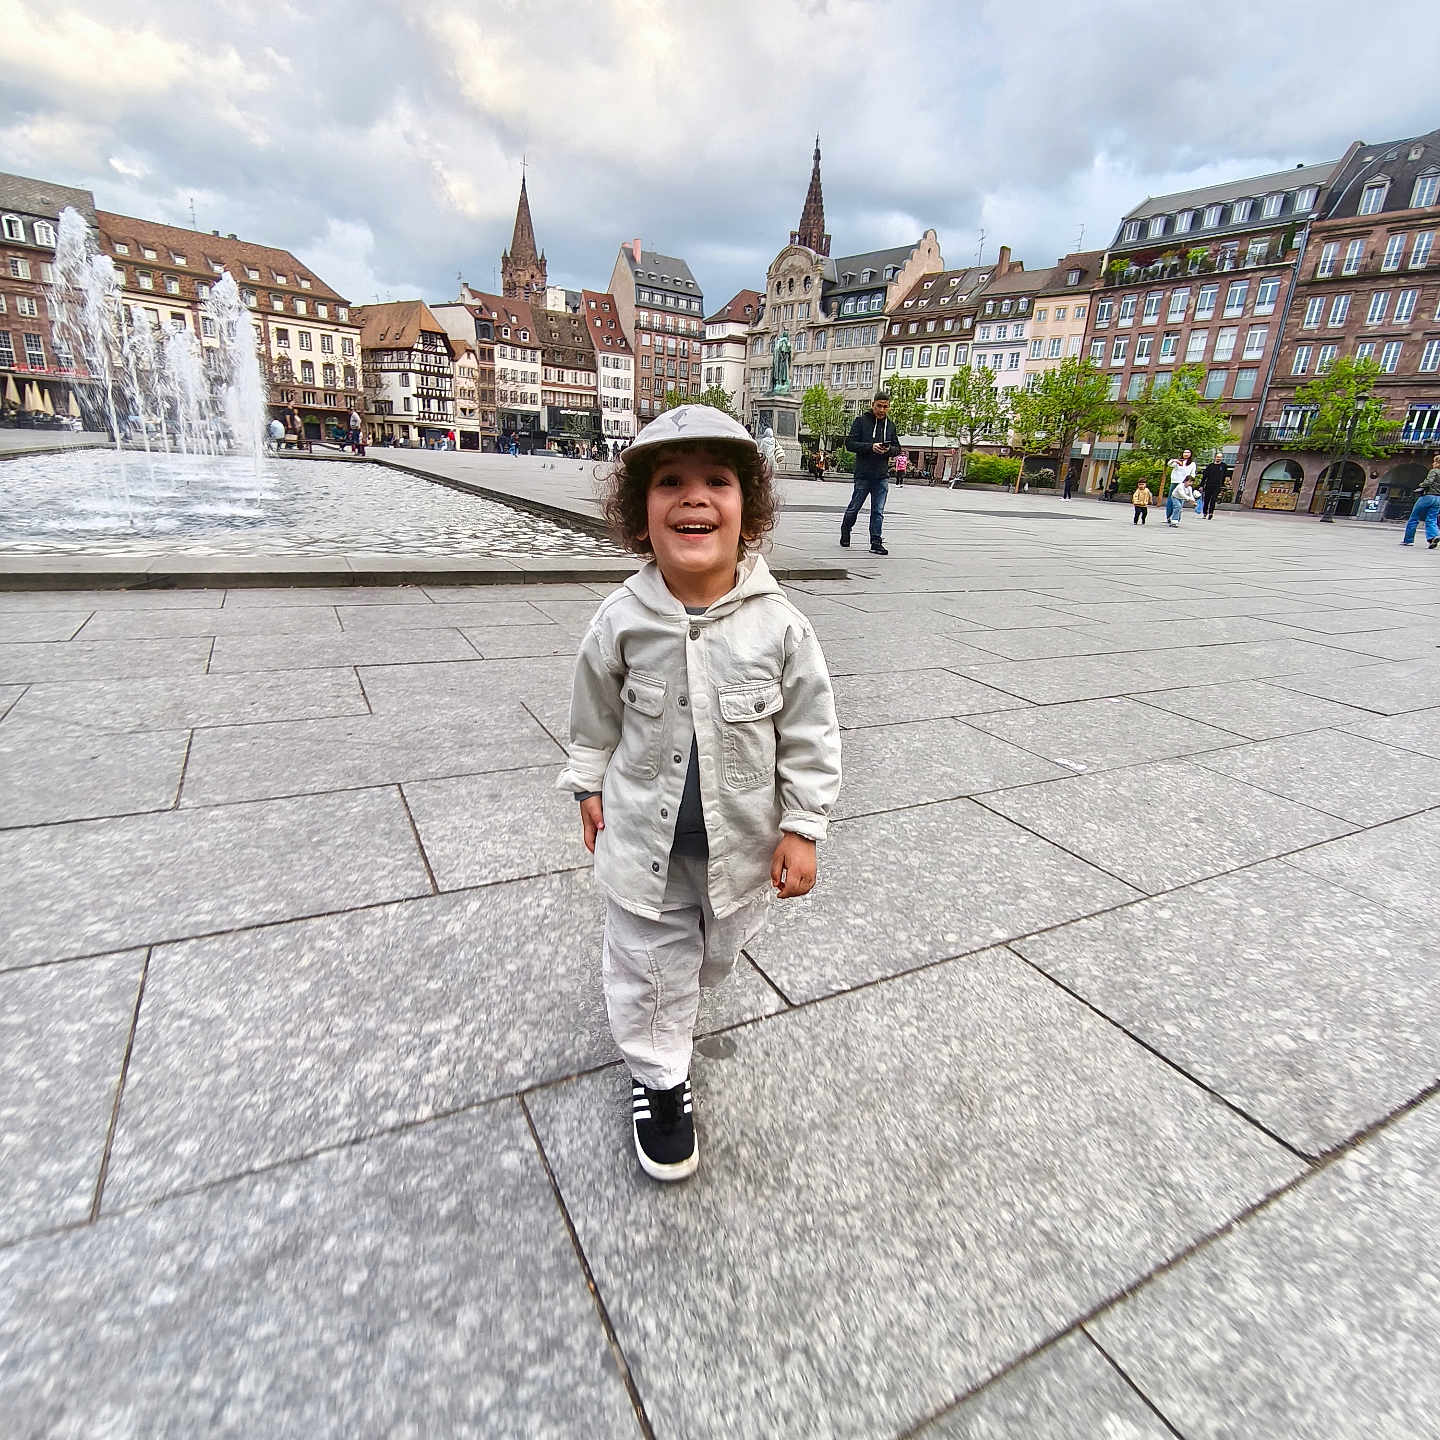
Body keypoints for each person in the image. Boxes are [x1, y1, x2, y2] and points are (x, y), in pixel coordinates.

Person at [559, 404, 841, 1183]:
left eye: (716, 481)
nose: (693, 498)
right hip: (643, 845)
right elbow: (594, 712)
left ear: (747, 511)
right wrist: (586, 783)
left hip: (738, 850)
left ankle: (670, 1015)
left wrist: (803, 825)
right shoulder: (620, 619)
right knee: (651, 968)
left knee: (709, 960)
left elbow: (811, 733)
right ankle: (660, 1079)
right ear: (639, 514)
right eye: (669, 483)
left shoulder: (781, 627)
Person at [841, 393, 900, 555]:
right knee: (855, 507)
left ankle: (876, 542)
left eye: (885, 406)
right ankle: (846, 529)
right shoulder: (861, 422)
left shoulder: (890, 425)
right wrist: (870, 447)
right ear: (873, 405)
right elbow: (850, 444)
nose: (882, 409)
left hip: (881, 475)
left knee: (878, 511)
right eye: (879, 406)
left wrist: (889, 450)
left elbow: (897, 448)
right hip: (863, 473)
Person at [1401, 452, 1440, 548]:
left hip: (1428, 497)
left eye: (1434, 462)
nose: (1433, 464)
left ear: (1437, 463)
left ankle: (1408, 540)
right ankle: (1433, 536)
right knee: (1431, 519)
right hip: (1438, 498)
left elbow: (1429, 482)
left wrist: (1421, 485)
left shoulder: (1434, 471)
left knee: (1414, 518)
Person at [1164, 450, 1196, 526]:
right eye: (1185, 452)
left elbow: (1193, 474)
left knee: (1180, 501)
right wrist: (1175, 460)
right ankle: (1168, 516)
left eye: (1188, 453)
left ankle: (1176, 518)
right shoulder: (1178, 461)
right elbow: (1169, 464)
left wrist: (1189, 482)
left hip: (1183, 483)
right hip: (1175, 481)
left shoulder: (1192, 464)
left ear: (1191, 454)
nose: (1186, 454)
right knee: (1171, 499)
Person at [1200, 451, 1226, 518]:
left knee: (1213, 499)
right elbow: (1204, 476)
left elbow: (1224, 476)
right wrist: (1201, 485)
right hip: (1209, 485)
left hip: (1217, 485)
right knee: (1206, 499)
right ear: (1215, 458)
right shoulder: (1210, 466)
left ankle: (1211, 513)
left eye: (1220, 457)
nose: (1218, 458)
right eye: (1217, 457)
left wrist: (1222, 486)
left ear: (1222, 458)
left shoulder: (1223, 466)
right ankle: (1205, 513)